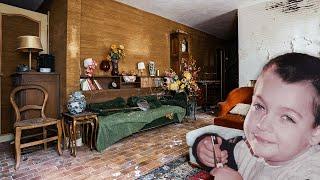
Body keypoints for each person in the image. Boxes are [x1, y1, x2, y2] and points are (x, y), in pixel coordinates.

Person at [192, 53, 320, 180]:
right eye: (259, 106)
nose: (262, 124)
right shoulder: (248, 148)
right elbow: (223, 149)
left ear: (316, 133)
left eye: (287, 117)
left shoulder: (311, 173)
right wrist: (205, 149)